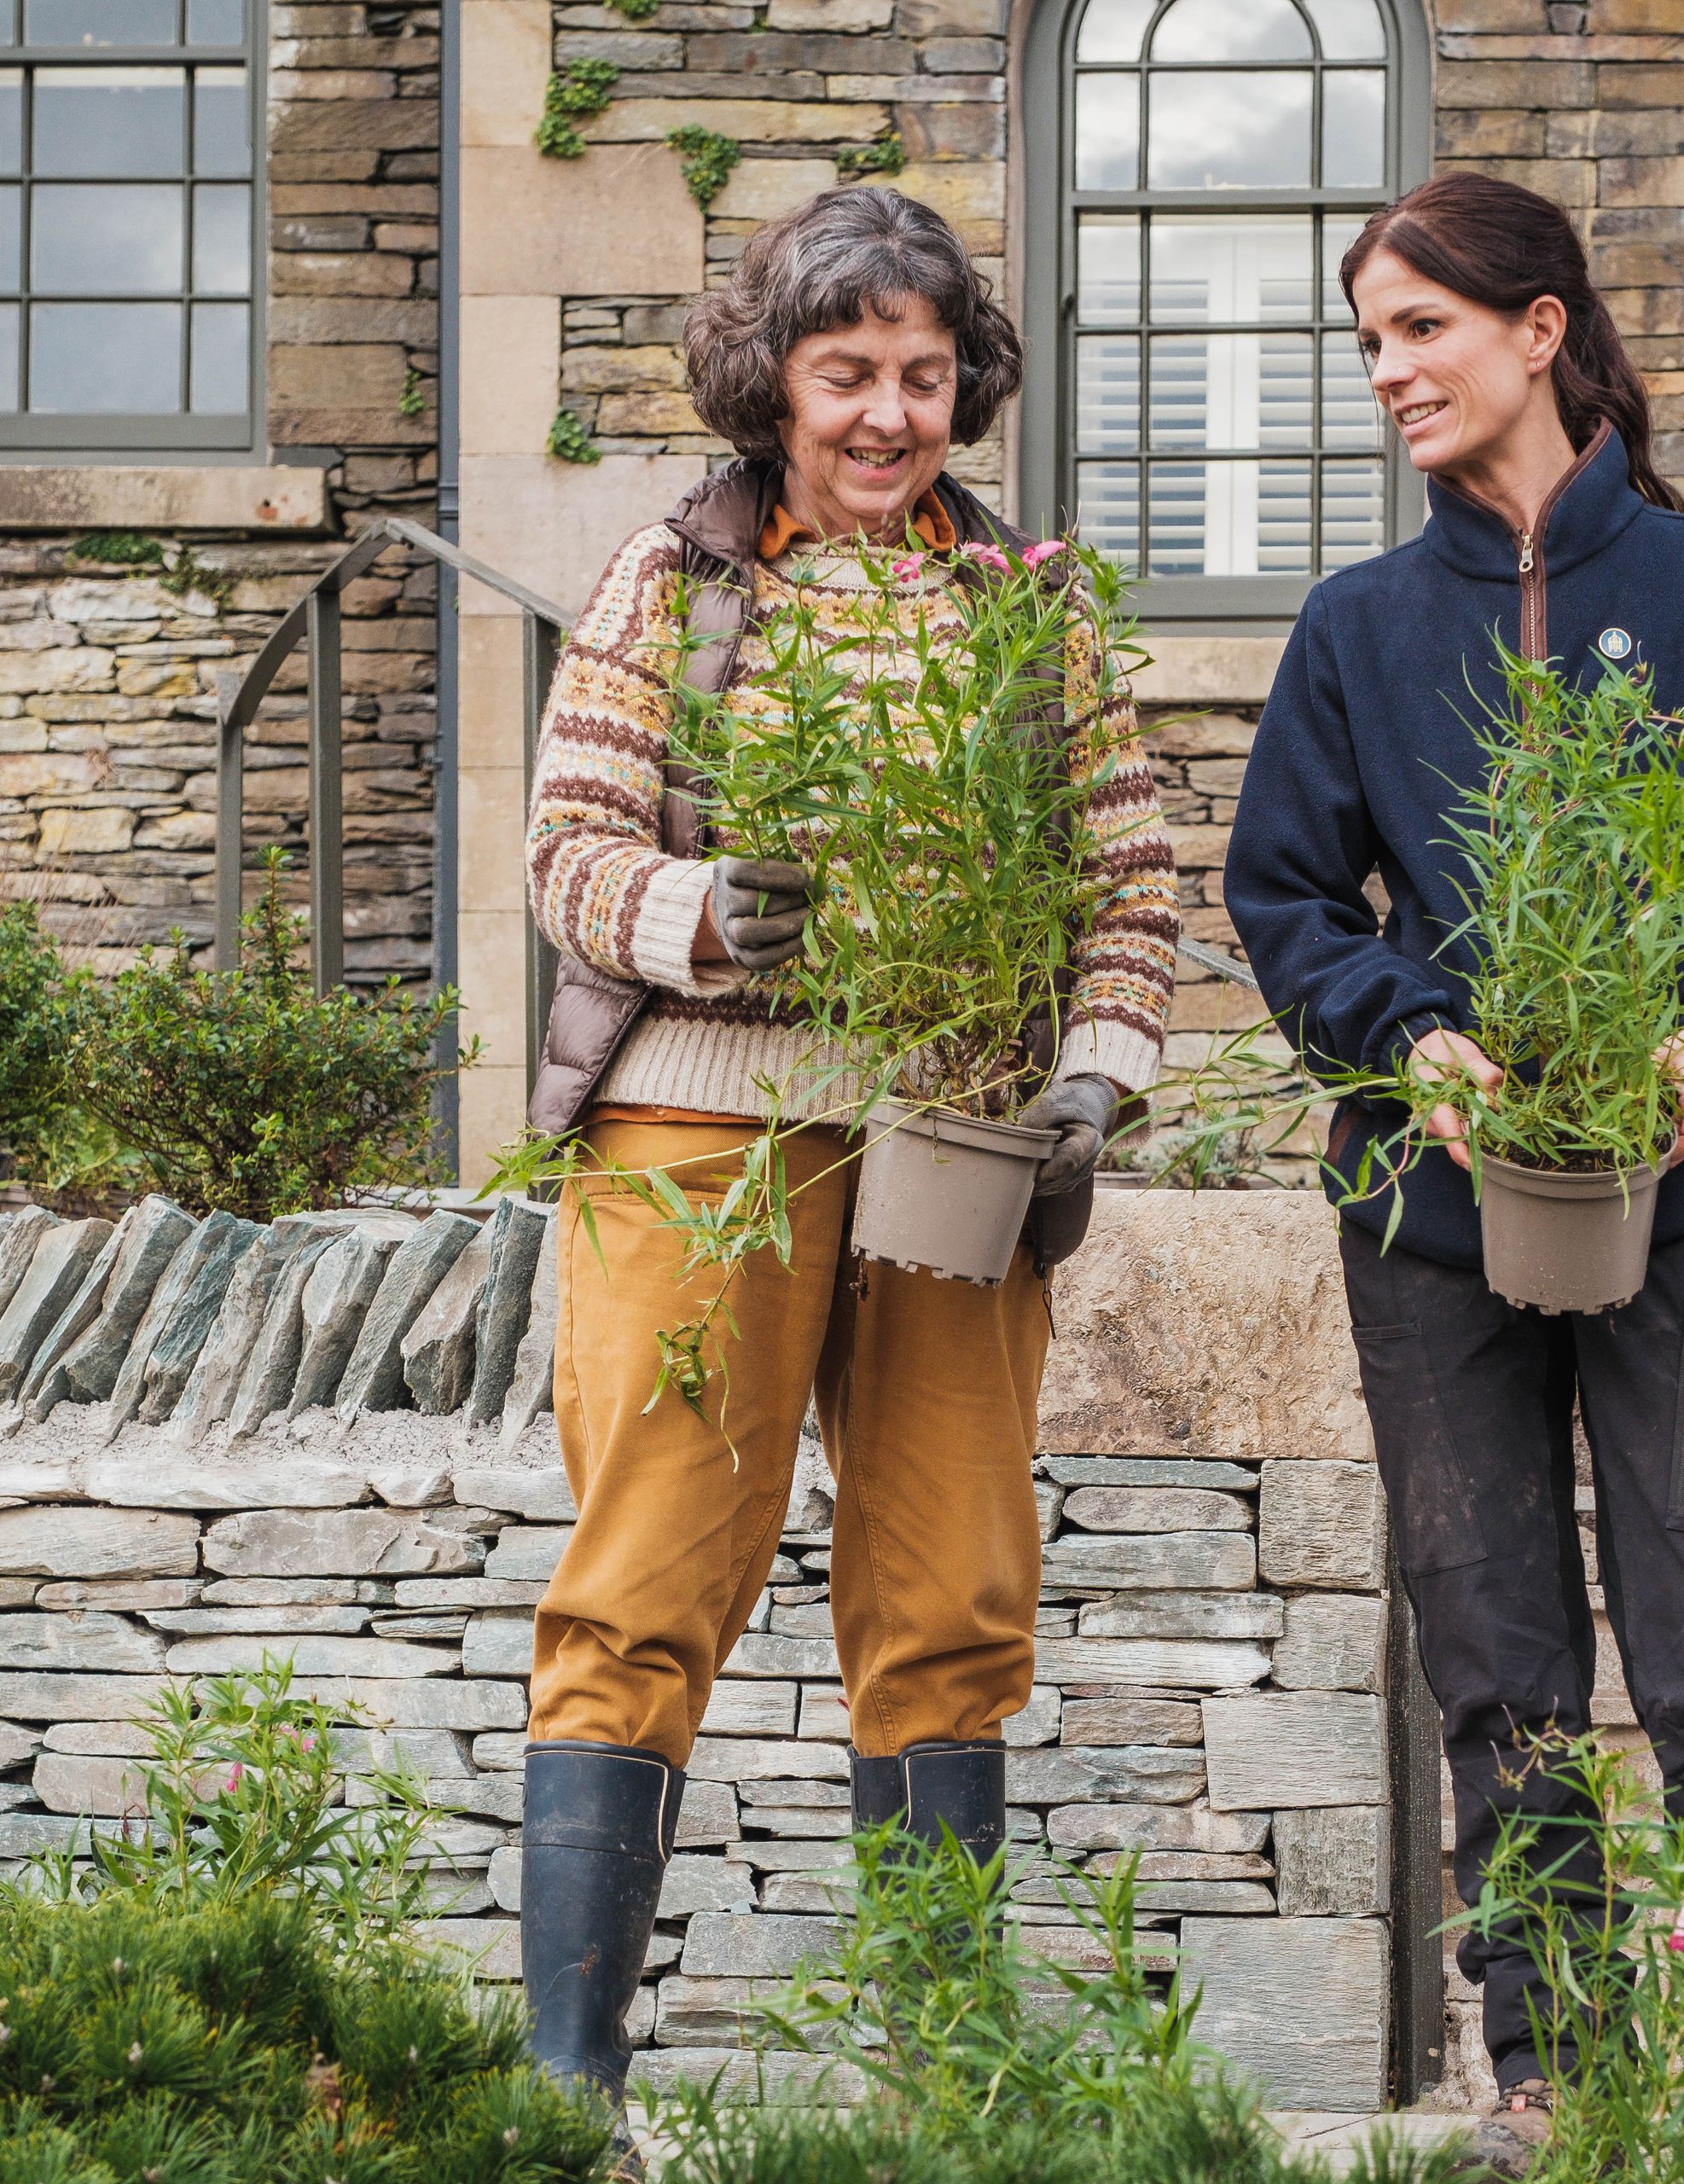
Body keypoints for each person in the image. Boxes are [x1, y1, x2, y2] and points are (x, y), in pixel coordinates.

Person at [1223, 172, 1684, 2174]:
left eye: (1421, 326)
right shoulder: (1354, 626)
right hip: (1436, 1214)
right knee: (1498, 1650)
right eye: (1370, 342)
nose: (1390, 372)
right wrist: (1405, 1026)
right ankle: (1550, 2081)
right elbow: (1281, 894)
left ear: (1539, 329)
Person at [515, 185, 1180, 2152]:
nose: (887, 414)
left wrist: (1097, 1070)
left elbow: (1129, 874)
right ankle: (574, 2099)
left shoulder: (1033, 603)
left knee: (953, 1585)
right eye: (844, 375)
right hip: (699, 1134)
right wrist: (708, 909)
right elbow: (564, 852)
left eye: (919, 373)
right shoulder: (674, 578)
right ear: (774, 387)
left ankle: (937, 2096)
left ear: (963, 383)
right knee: (642, 1580)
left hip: (955, 1147)